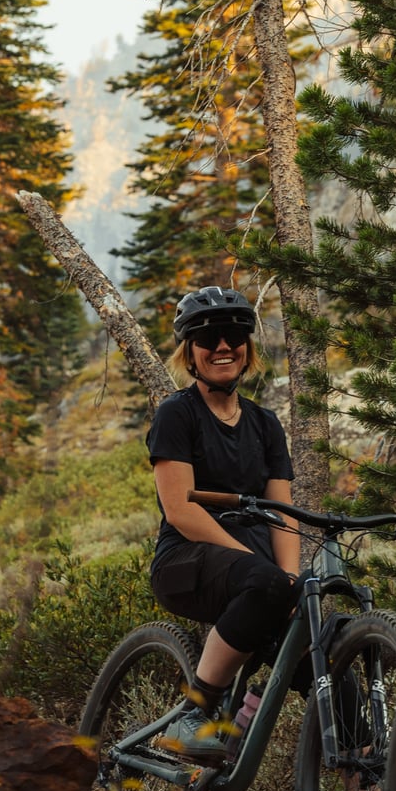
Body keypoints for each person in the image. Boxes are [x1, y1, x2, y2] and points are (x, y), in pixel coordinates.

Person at [146, 286, 300, 763]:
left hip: (256, 570)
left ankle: (368, 788)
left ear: (248, 347)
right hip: (186, 558)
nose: (222, 346)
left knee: (325, 655)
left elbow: (283, 513)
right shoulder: (177, 413)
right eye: (208, 337)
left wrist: (290, 581)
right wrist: (261, 569)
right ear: (189, 352)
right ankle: (194, 712)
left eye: (234, 335)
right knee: (265, 582)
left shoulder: (265, 423)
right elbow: (181, 510)